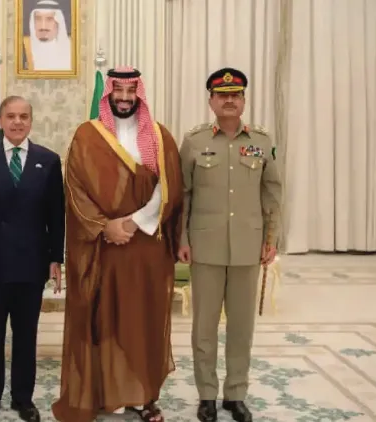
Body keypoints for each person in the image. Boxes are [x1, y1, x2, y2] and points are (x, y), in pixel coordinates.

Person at [52, 67, 184, 422]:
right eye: (118, 90)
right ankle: (107, 393)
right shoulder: (87, 135)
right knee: (104, 319)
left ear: (139, 94)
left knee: (142, 319)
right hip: (103, 246)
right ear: (108, 93)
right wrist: (105, 226)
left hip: (145, 245)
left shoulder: (160, 136)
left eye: (131, 91)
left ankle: (143, 395)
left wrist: (134, 222)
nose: (125, 98)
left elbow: (169, 186)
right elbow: (75, 188)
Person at [177, 67, 282, 422]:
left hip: (248, 246)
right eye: (222, 96)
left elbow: (272, 193)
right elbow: (183, 195)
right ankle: (207, 394)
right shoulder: (194, 141)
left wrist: (271, 239)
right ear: (211, 101)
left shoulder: (262, 141)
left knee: (241, 328)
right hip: (205, 246)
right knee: (204, 328)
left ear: (244, 101)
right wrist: (182, 238)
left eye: (235, 95)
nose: (229, 101)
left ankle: (235, 394)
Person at [0, 95, 65, 422]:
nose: (17, 122)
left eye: (23, 116)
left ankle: (23, 399)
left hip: (31, 266)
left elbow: (56, 215)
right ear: (0, 121)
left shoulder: (48, 161)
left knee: (26, 337)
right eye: (11, 116)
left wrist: (55, 259)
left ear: (31, 120)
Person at [22, 0, 72, 71]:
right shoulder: (24, 46)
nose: (43, 26)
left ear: (58, 22)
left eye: (49, 19)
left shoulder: (73, 48)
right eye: (38, 19)